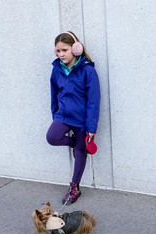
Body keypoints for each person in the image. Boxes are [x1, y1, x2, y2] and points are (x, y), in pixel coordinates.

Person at [46, 31, 101, 205]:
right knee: (52, 137)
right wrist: (55, 114)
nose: (61, 54)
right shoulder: (56, 70)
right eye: (58, 51)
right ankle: (80, 145)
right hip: (63, 116)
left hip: (82, 120)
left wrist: (91, 127)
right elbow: (54, 94)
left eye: (65, 50)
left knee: (79, 152)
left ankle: (74, 187)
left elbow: (94, 101)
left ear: (76, 49)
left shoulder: (87, 71)